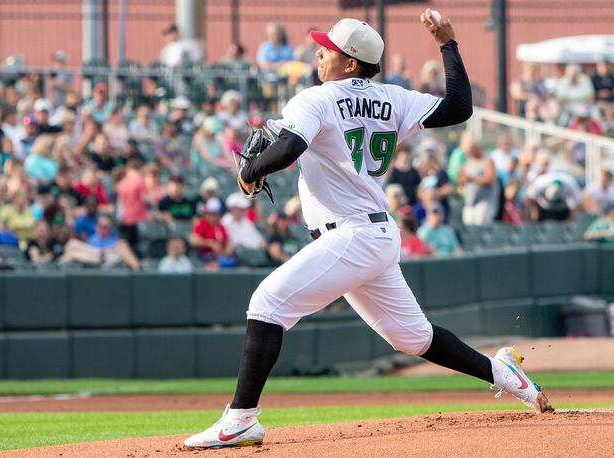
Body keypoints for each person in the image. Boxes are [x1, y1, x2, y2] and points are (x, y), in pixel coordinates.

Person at [184, 12, 551, 450]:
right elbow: (459, 107)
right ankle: (508, 377)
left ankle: (241, 418)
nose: (319, 52)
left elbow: (289, 147)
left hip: (352, 235)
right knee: (414, 339)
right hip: (374, 234)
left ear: (351, 62)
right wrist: (448, 44)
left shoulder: (316, 98)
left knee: (267, 303)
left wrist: (250, 173)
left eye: (328, 49)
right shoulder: (394, 98)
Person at [459, 141, 499, 226]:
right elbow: (461, 181)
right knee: (468, 228)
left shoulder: (488, 161)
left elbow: (491, 179)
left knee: (481, 226)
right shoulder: (467, 163)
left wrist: (472, 178)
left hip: (485, 202)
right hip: (470, 202)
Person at [190, 197, 235, 270]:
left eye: (216, 215)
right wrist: (209, 243)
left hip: (221, 257)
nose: (214, 217)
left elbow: (228, 242)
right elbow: (194, 241)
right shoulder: (202, 224)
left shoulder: (221, 226)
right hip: (206, 257)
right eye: (211, 214)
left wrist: (228, 249)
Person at [590, 61, 614, 127]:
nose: (605, 68)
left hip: (613, 101)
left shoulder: (611, 77)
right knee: (607, 107)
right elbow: (592, 94)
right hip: (599, 102)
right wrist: (600, 94)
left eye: (606, 67)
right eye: (603, 67)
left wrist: (608, 93)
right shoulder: (594, 78)